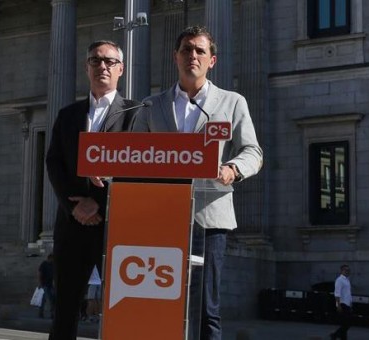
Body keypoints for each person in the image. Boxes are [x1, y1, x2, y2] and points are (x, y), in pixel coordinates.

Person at [131, 26, 263, 340]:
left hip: (209, 216)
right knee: (161, 301)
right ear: (176, 57)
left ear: (212, 60)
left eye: (200, 51)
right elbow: (133, 153)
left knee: (207, 308)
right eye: (187, 49)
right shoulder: (152, 105)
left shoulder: (231, 102)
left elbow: (253, 151)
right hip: (161, 215)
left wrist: (232, 168)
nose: (193, 56)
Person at [45, 40, 141, 340]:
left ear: (121, 69)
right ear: (87, 67)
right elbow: (54, 163)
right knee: (65, 309)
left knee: (122, 307)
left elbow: (138, 168)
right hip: (72, 224)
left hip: (114, 228)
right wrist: (74, 205)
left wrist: (98, 203)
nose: (103, 66)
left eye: (110, 61)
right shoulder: (68, 114)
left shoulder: (136, 114)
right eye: (96, 60)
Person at [330, 265, 352, 340]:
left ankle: (342, 337)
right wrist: (338, 305)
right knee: (347, 324)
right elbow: (337, 293)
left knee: (345, 323)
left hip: (347, 304)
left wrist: (350, 302)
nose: (347, 272)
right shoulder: (339, 280)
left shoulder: (347, 280)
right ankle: (335, 335)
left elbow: (348, 293)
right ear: (342, 271)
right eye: (346, 270)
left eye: (348, 270)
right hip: (342, 304)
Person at [37, 253, 55, 319]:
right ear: (49, 258)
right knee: (46, 299)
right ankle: (42, 313)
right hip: (44, 284)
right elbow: (39, 273)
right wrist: (40, 283)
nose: (53, 260)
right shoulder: (44, 264)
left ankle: (50, 314)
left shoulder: (53, 264)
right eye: (52, 259)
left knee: (50, 299)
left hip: (51, 285)